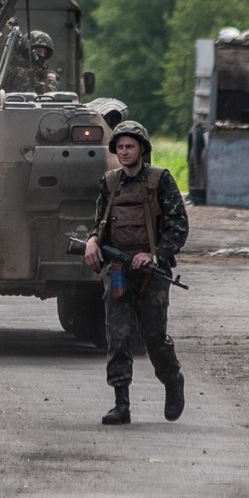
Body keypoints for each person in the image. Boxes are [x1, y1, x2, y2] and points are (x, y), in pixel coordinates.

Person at [80, 120, 189, 425]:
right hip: (117, 270)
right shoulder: (110, 182)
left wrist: (154, 255)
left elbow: (179, 227)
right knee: (117, 335)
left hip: (151, 272)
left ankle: (172, 380)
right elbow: (99, 222)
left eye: (130, 146)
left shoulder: (160, 180)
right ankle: (121, 403)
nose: (125, 152)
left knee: (154, 337)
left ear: (142, 148)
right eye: (120, 147)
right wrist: (91, 242)